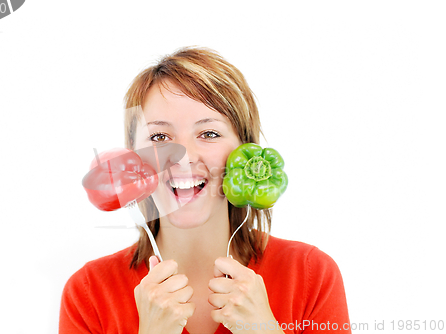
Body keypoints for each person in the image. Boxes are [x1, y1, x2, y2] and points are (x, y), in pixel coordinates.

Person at [59, 47, 351, 334]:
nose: (184, 157)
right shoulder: (88, 294)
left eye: (209, 133)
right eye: (160, 136)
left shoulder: (311, 275)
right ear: (133, 157)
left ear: (245, 151)